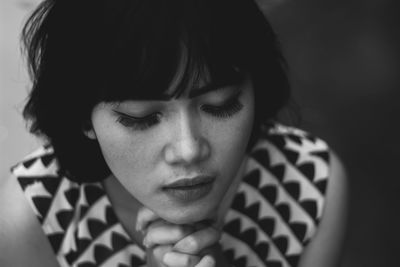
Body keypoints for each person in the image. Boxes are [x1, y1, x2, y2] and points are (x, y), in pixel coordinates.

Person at [0, 0, 348, 266]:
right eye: (142, 117)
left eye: (220, 104)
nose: (188, 148)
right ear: (83, 119)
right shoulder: (31, 216)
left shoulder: (308, 185)